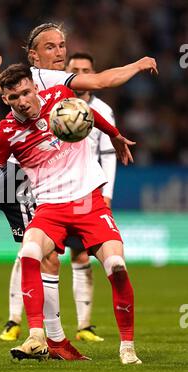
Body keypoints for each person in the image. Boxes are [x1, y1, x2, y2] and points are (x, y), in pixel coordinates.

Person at [0, 23, 157, 350]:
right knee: (40, 252)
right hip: (32, 179)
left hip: (56, 184)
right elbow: (99, 81)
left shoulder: (50, 87)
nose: (61, 54)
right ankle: (45, 336)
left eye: (62, 46)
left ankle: (53, 334)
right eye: (52, 47)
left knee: (45, 247)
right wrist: (138, 64)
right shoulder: (43, 82)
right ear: (33, 55)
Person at [64, 52, 117, 342]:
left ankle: (83, 326)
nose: (81, 73)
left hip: (87, 190)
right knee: (38, 252)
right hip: (54, 189)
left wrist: (106, 194)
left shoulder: (103, 111)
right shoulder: (55, 102)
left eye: (86, 69)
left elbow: (109, 155)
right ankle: (20, 322)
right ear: (67, 73)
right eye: (75, 69)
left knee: (81, 252)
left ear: (93, 72)